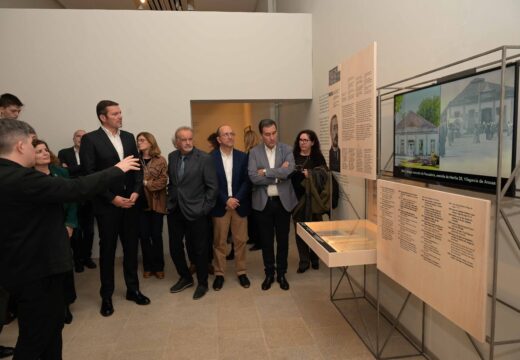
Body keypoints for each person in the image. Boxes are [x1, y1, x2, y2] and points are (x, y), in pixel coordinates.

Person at [0, 118, 139, 360]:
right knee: (36, 338)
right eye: (34, 144)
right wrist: (118, 168)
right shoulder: (21, 179)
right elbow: (75, 188)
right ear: (21, 146)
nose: (37, 149)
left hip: (21, 267)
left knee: (50, 330)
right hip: (37, 270)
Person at [80, 100, 150, 317]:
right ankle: (107, 296)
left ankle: (133, 289)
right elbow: (89, 175)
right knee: (108, 250)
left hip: (131, 203)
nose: (121, 116)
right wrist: (112, 199)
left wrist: (137, 191)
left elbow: (137, 169)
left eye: (120, 112)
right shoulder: (91, 140)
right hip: (107, 206)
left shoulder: (129, 137)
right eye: (115, 113)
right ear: (103, 117)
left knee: (131, 248)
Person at [167, 126, 218, 300]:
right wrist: (170, 200)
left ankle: (202, 283)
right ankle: (186, 278)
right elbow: (174, 183)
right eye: (183, 139)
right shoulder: (172, 157)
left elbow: (213, 187)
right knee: (175, 248)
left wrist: (204, 209)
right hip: (175, 210)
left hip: (197, 211)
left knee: (200, 249)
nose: (188, 142)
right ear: (177, 142)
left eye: (190, 139)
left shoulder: (204, 158)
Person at [248, 119, 297, 291]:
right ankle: (269, 273)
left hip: (283, 203)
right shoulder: (254, 152)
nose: (271, 137)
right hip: (263, 204)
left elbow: (289, 170)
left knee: (283, 240)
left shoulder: (287, 149)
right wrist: (278, 175)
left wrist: (267, 172)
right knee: (267, 241)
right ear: (262, 135)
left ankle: (281, 273)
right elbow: (253, 177)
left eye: (274, 133)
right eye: (267, 134)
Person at [33, 139, 79, 325]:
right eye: (38, 151)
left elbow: (72, 199)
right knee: (44, 270)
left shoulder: (60, 173)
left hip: (62, 227)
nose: (44, 153)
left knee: (64, 266)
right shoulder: (27, 177)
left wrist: (69, 224)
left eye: (46, 149)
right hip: (39, 231)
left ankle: (65, 304)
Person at [210, 125, 251, 291]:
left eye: (232, 133)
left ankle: (241, 272)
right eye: (226, 134)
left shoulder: (243, 156)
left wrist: (236, 199)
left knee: (241, 241)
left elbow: (247, 181)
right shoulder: (210, 158)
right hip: (221, 206)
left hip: (239, 205)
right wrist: (226, 200)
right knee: (220, 242)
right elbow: (211, 184)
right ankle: (219, 274)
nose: (230, 137)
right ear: (219, 139)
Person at [58, 129, 97, 273]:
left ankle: (87, 257)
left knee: (89, 231)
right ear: (73, 138)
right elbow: (65, 174)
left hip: (90, 196)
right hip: (73, 196)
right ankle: (77, 259)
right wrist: (82, 169)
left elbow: (92, 173)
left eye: (83, 136)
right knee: (75, 231)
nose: (81, 138)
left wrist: (73, 169)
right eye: (78, 136)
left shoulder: (92, 152)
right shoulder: (64, 153)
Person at [291, 130, 328, 273]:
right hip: (297, 200)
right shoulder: (293, 157)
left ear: (312, 142)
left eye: (306, 140)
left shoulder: (318, 157)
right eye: (300, 140)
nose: (302, 142)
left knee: (315, 231)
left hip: (313, 200)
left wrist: (310, 174)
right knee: (300, 231)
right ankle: (304, 261)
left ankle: (315, 258)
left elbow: (325, 175)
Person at [136, 132, 167, 279]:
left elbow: (163, 182)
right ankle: (147, 266)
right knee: (144, 236)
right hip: (140, 203)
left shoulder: (160, 160)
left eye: (142, 140)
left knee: (156, 236)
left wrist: (146, 183)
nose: (139, 142)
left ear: (150, 142)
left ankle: (159, 267)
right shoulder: (135, 160)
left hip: (157, 203)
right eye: (138, 140)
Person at [243, 127, 261, 252]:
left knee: (255, 218)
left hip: (253, 189)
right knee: (253, 217)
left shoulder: (252, 153)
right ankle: (254, 238)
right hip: (253, 189)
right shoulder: (256, 152)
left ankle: (258, 241)